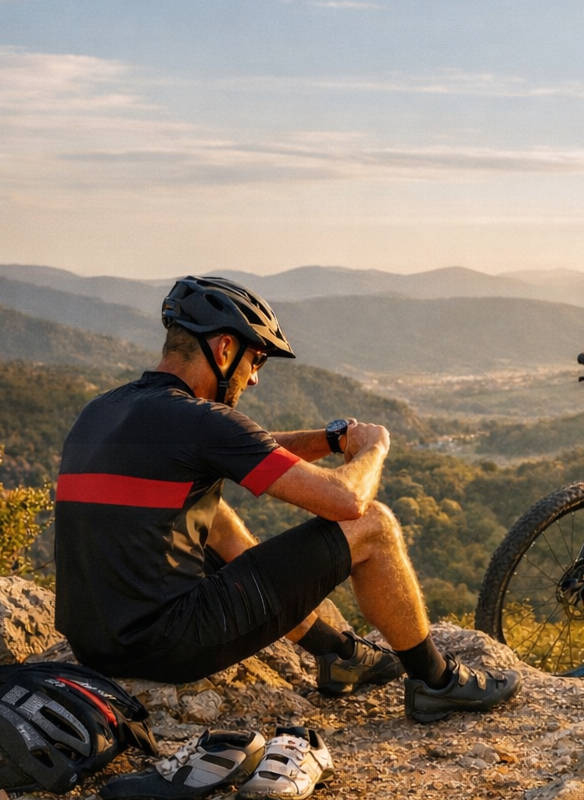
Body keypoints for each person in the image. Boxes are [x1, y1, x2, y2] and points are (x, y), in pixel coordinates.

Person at [53, 276, 519, 725]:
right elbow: (346, 501)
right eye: (256, 360)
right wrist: (374, 447)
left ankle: (339, 654)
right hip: (167, 646)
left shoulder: (103, 410)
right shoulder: (202, 420)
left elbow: (242, 451)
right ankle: (436, 683)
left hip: (94, 646)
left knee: (210, 510)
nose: (254, 379)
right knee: (374, 524)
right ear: (224, 348)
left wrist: (332, 440)